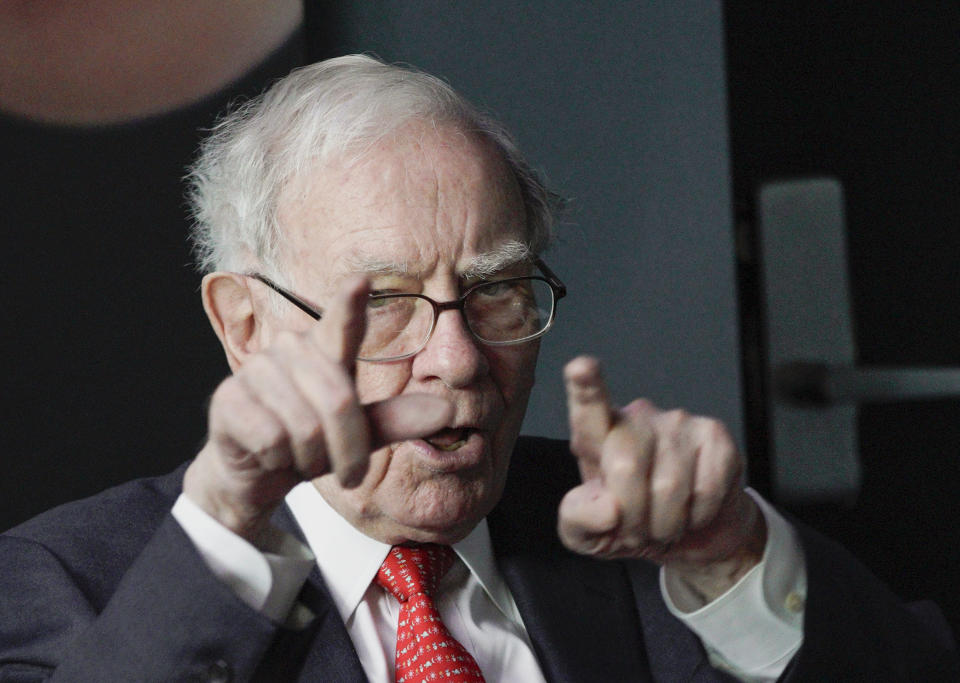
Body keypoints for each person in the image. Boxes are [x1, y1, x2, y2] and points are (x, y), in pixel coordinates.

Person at [0, 55, 955, 682]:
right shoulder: (69, 585)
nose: (457, 359)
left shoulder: (646, 542)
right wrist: (220, 537)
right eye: (382, 305)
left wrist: (737, 556)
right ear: (246, 325)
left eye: (495, 291)